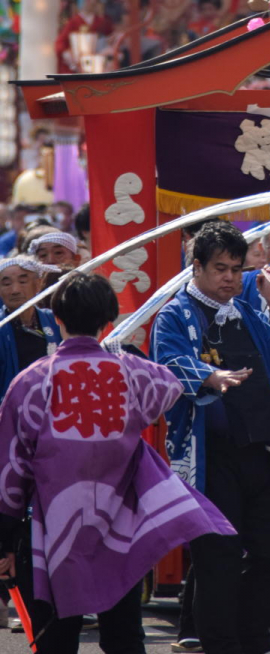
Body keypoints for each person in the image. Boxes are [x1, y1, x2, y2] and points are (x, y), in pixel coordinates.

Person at [0, 271, 234, 654]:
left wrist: (5, 537)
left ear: (56, 318)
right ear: (108, 320)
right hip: (121, 523)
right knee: (124, 637)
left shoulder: (30, 382)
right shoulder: (134, 373)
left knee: (56, 639)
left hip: (53, 526)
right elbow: (171, 385)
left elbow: (11, 466)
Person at [151, 218, 270, 654]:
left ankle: (252, 636)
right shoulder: (175, 314)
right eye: (220, 269)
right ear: (197, 267)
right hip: (209, 453)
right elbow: (167, 363)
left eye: (236, 269)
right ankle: (220, 642)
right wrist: (209, 375)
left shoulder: (244, 312)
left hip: (259, 447)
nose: (230, 278)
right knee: (219, 554)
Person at [0, 255, 60, 399]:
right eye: (6, 284)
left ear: (38, 284)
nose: (15, 290)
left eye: (23, 281)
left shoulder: (55, 320)